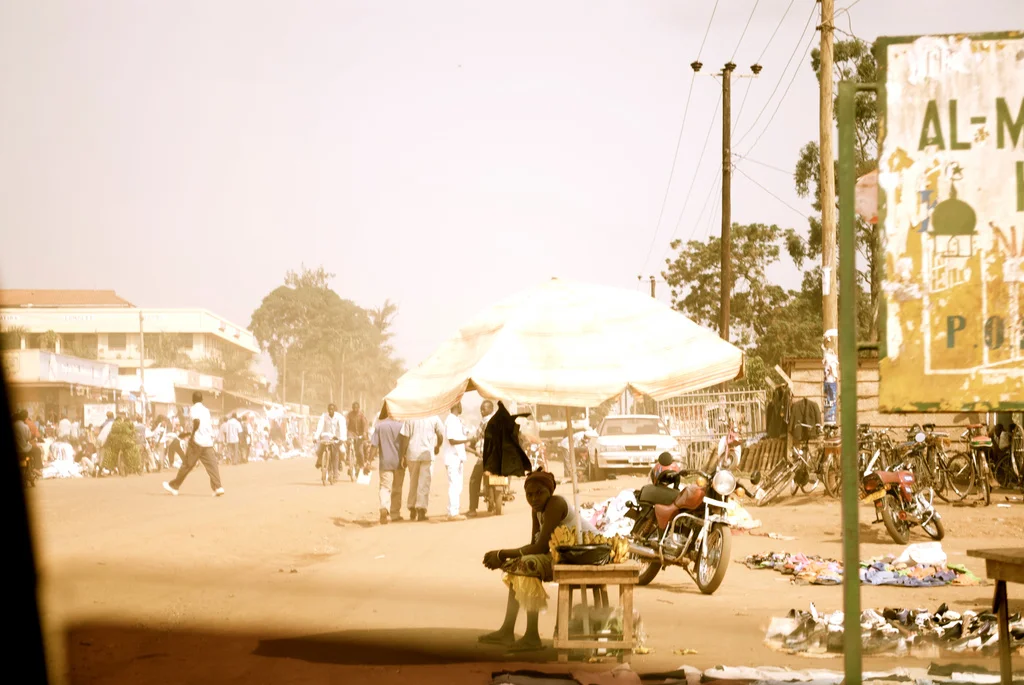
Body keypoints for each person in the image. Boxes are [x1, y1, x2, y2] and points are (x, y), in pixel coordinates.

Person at [479, 470, 590, 652]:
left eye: (539, 493)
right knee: (519, 565)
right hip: (559, 555)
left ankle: (532, 637)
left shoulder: (556, 503)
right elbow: (534, 544)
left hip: (579, 555)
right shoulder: (536, 510)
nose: (534, 498)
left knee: (527, 565)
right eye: (529, 494)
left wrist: (501, 554)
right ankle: (507, 630)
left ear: (550, 491)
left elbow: (540, 549)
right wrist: (507, 559)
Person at [162, 391, 224, 496]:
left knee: (187, 464)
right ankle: (218, 487)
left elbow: (196, 422)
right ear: (202, 399)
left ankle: (174, 486)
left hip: (197, 441)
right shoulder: (206, 410)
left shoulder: (193, 409)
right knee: (212, 465)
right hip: (207, 441)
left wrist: (192, 435)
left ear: (193, 400)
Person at [399, 414, 445, 521]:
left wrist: (403, 454)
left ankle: (412, 508)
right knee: (424, 482)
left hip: (412, 453)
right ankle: (421, 509)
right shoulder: (434, 417)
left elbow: (405, 437)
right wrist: (438, 446)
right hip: (427, 454)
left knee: (413, 481)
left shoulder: (410, 417)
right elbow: (440, 434)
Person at [371, 404, 405, 524]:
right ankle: (395, 514)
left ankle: (384, 507)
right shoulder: (402, 426)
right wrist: (404, 457)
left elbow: (374, 446)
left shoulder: (380, 426)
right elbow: (406, 444)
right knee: (397, 488)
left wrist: (368, 461)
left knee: (385, 487)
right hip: (399, 462)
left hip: (385, 462)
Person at [468, 400, 496, 518]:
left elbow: (477, 436)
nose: (481, 411)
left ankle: (473, 509)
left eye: (484, 409)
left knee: (474, 480)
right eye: (481, 409)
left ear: (490, 409)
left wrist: (470, 444)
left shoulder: (485, 421)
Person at [442, 401, 470, 522]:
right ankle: (453, 512)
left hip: (457, 457)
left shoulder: (457, 420)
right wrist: (466, 439)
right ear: (456, 406)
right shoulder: (451, 420)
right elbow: (452, 440)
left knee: (457, 486)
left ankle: (453, 510)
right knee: (454, 485)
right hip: (452, 457)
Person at [314, 403, 346, 483]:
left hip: (336, 438)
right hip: (326, 436)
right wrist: (316, 437)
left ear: (334, 410)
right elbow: (320, 427)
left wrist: (342, 438)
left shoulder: (339, 417)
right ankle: (320, 460)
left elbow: (342, 428)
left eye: (332, 409)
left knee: (341, 451)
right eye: (329, 409)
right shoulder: (324, 416)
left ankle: (337, 469)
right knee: (318, 450)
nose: (330, 411)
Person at [347, 401, 369, 471]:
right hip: (351, 433)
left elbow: (365, 425)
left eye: (356, 407)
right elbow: (346, 422)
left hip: (360, 434)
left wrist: (364, 433)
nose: (355, 409)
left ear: (358, 408)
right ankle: (348, 458)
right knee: (348, 443)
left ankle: (362, 464)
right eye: (353, 407)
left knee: (359, 450)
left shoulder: (361, 415)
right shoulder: (349, 414)